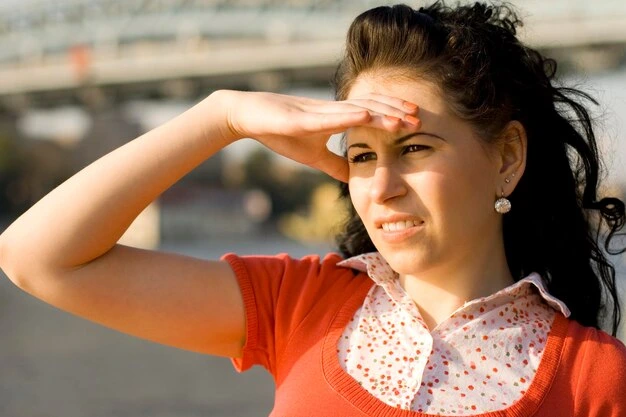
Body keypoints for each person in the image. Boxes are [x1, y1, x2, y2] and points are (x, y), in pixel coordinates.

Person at [1, 2, 625, 416]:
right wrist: (220, 117)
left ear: (507, 156)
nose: (382, 186)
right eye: (360, 157)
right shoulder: (302, 304)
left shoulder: (598, 380)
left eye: (413, 147)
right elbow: (38, 259)